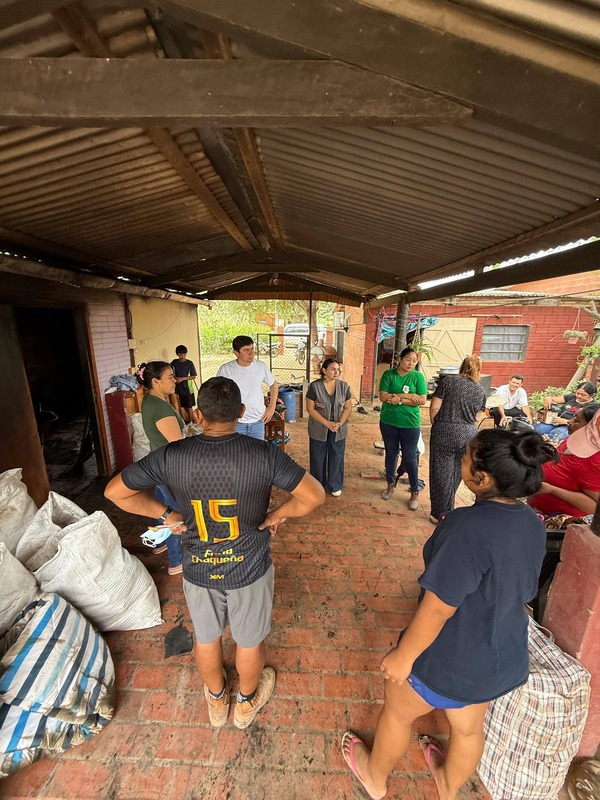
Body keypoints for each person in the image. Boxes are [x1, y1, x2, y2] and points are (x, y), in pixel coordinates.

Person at [341, 428, 556, 800]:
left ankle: (376, 777)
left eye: (466, 458)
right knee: (469, 730)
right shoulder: (532, 523)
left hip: (451, 659)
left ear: (482, 478)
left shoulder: (466, 528)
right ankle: (447, 785)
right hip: (499, 656)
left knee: (397, 713)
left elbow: (438, 608)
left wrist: (403, 656)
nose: (461, 461)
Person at [105, 377, 324, 730]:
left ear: (198, 414)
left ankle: (217, 701)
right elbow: (315, 496)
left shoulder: (172, 456)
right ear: (240, 412)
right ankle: (246, 705)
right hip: (249, 566)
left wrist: (168, 515)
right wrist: (276, 516)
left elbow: (116, 492)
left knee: (207, 638)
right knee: (249, 641)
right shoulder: (264, 454)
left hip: (198, 567)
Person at [136, 361, 185, 575]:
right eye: (170, 377)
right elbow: (177, 444)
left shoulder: (149, 401)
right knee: (174, 514)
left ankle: (157, 544)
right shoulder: (161, 408)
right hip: (168, 467)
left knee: (160, 504)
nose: (174, 381)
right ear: (156, 381)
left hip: (156, 461)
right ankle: (176, 561)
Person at [428, 356, 487, 524]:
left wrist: (437, 422)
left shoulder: (448, 382)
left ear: (461, 367)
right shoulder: (480, 390)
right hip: (468, 433)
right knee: (458, 470)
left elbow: (435, 407)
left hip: (445, 430)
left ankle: (440, 512)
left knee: (440, 471)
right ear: (479, 370)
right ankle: (448, 507)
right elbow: (478, 416)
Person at [528, 405, 600, 518]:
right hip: (537, 510)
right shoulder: (572, 440)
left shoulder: (595, 461)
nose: (569, 422)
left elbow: (595, 506)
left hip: (561, 519)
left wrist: (552, 490)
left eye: (576, 420)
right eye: (572, 417)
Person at [378, 347, 427, 511]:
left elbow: (422, 400)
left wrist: (398, 399)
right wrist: (407, 396)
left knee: (411, 458)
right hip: (389, 421)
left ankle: (414, 492)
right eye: (408, 359)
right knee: (391, 454)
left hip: (410, 424)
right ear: (401, 359)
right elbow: (383, 396)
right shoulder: (389, 375)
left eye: (414, 360)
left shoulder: (418, 377)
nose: (411, 363)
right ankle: (390, 485)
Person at [305, 358, 353, 497]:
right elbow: (310, 409)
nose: (336, 372)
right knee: (318, 457)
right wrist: (327, 423)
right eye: (332, 369)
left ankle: (335, 484)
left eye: (338, 369)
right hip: (319, 428)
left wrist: (339, 423)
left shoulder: (344, 387)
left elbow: (348, 408)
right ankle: (317, 485)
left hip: (339, 428)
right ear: (324, 370)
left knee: (337, 456)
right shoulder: (315, 387)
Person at [217, 335, 278, 439]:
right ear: (236, 353)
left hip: (258, 421)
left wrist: (271, 407)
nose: (251, 353)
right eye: (246, 350)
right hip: (236, 423)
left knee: (257, 454)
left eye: (252, 348)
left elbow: (273, 385)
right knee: (237, 454)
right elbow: (217, 394)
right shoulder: (225, 370)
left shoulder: (261, 366)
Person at [170, 344, 198, 424]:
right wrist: (174, 377)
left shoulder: (189, 363)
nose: (182, 356)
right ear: (177, 354)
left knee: (189, 406)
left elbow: (193, 376)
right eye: (180, 354)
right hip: (178, 388)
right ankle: (183, 423)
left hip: (187, 388)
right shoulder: (174, 362)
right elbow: (169, 370)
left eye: (184, 354)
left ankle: (192, 422)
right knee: (180, 406)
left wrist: (182, 379)